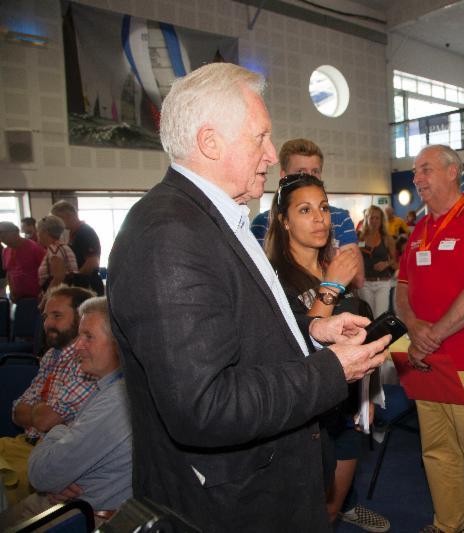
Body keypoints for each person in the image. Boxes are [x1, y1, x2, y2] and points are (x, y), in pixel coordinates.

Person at [107, 62, 390, 532]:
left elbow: (235, 330)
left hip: (263, 486)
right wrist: (331, 368)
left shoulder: (214, 217)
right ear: (210, 142)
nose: (272, 154)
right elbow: (204, 406)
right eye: (260, 137)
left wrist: (311, 330)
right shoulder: (170, 234)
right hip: (231, 506)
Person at [266, 173, 389, 533]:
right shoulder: (273, 278)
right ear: (284, 220)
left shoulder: (333, 264)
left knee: (331, 510)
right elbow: (299, 343)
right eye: (305, 210)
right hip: (306, 413)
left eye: (323, 207)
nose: (320, 217)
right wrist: (331, 285)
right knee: (304, 514)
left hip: (346, 405)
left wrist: (367, 391)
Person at [396, 144, 464, 533]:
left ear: (452, 172)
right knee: (437, 453)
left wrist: (431, 336)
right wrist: (414, 327)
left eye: (425, 169)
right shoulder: (419, 229)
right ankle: (448, 525)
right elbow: (401, 288)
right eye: (414, 171)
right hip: (429, 362)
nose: (416, 178)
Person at [0, 297, 131, 529]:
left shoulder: (117, 400)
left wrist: (59, 429)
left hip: (77, 515)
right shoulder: (107, 388)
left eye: (88, 337)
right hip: (66, 502)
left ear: (118, 343)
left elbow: (41, 475)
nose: (78, 346)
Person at [0, 285, 96, 506]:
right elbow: (16, 410)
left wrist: (37, 412)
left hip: (46, 456)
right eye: (46, 316)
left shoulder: (88, 360)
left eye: (57, 316)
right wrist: (41, 412)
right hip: (23, 443)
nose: (47, 323)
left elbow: (46, 419)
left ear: (81, 319)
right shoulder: (51, 355)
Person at [250, 138, 365, 288]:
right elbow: (257, 283)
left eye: (315, 171)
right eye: (301, 172)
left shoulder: (340, 218)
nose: (309, 177)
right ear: (284, 176)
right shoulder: (262, 223)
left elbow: (357, 278)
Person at [49, 201, 104, 296]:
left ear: (69, 215)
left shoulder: (85, 232)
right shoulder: (72, 234)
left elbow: (92, 262)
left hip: (87, 285)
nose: (58, 224)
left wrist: (75, 281)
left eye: (59, 219)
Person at [359, 205, 397, 318]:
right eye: (371, 218)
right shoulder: (360, 237)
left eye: (377, 218)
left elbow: (394, 260)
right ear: (366, 219)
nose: (374, 221)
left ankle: (380, 336)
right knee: (368, 318)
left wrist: (385, 264)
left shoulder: (387, 238)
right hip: (365, 283)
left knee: (380, 317)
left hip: (383, 283)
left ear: (381, 220)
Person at [0, 221, 45, 302]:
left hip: (38, 298)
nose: (2, 239)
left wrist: (44, 294)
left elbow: (47, 272)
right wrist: (11, 291)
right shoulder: (5, 251)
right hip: (19, 299)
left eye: (4, 234)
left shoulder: (34, 248)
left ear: (16, 232)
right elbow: (9, 272)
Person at [36, 215, 79, 297]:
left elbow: (58, 277)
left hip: (60, 295)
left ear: (46, 232)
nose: (37, 234)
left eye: (38, 231)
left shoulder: (55, 249)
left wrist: (45, 298)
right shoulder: (62, 247)